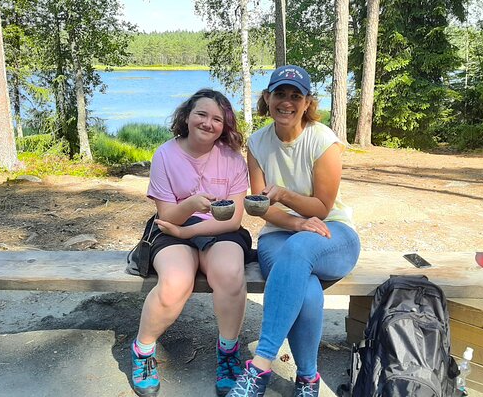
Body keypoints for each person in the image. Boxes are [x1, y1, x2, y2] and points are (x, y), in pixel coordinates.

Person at [227, 65, 361, 397]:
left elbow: (322, 208)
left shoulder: (323, 140)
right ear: (267, 98)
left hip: (334, 235)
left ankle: (260, 365)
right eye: (280, 94)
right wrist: (296, 222)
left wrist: (285, 195)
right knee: (308, 291)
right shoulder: (258, 143)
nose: (286, 102)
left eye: (295, 96)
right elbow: (260, 206)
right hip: (279, 235)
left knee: (299, 249)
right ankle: (308, 378)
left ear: (306, 103)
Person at [132, 88, 256, 397]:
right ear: (186, 117)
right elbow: (168, 216)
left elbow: (233, 220)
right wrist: (190, 206)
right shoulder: (165, 154)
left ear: (224, 127)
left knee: (229, 274)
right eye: (201, 114)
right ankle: (143, 351)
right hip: (171, 225)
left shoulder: (231, 159)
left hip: (220, 229)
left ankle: (228, 353)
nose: (208, 123)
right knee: (176, 281)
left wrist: (190, 233)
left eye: (217, 119)